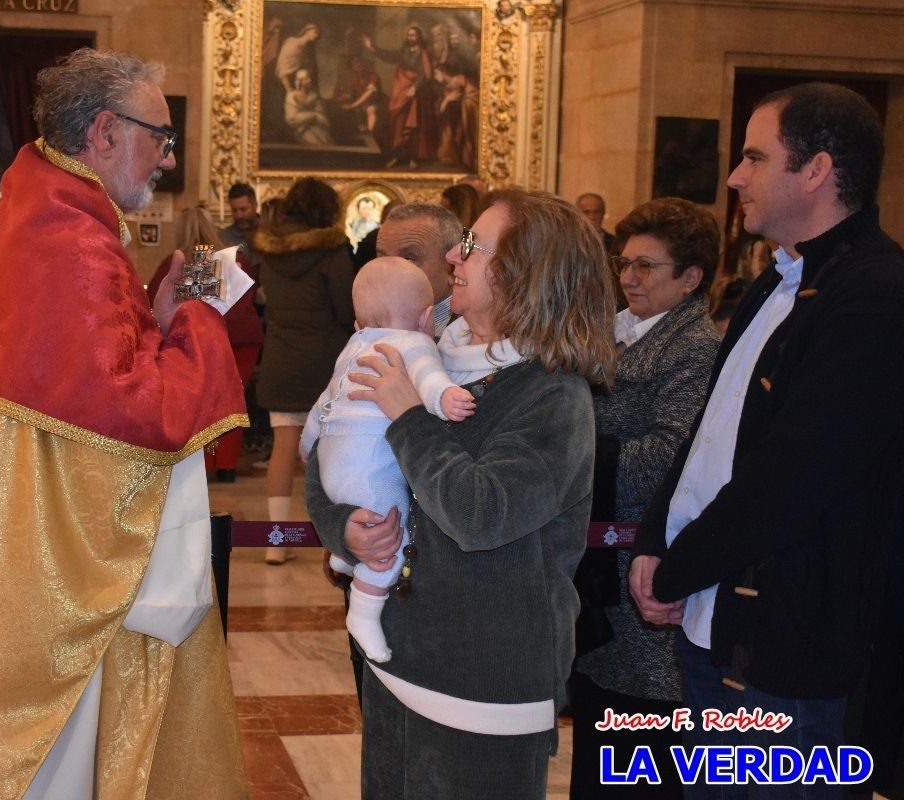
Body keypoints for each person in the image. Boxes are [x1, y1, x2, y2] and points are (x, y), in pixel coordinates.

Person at [0, 49, 249, 799]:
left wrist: (154, 324)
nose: (167, 156)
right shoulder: (71, 238)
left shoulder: (39, 206)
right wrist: (195, 317)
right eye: (159, 135)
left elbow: (88, 381)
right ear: (103, 132)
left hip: (30, 536)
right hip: (54, 568)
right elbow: (140, 419)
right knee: (58, 762)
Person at [630, 82, 904, 799]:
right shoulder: (773, 283)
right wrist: (655, 539)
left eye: (754, 157)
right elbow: (709, 436)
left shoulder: (873, 294)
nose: (734, 177)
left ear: (815, 170)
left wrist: (677, 566)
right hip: (712, 623)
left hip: (788, 649)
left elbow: (795, 477)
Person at [307, 189, 615, 799]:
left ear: (524, 272)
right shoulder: (432, 354)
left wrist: (406, 416)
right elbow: (333, 449)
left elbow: (481, 515)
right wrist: (340, 524)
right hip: (399, 660)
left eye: (473, 245)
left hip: (486, 683)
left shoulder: (552, 396)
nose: (454, 253)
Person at [569, 197, 721, 800]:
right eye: (625, 263)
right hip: (597, 565)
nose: (629, 277)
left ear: (691, 278)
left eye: (647, 266)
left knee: (639, 751)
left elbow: (668, 458)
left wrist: (571, 461)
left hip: (642, 564)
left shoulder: (695, 348)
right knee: (597, 736)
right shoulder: (615, 327)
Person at [302, 257, 474, 663]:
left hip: (333, 458)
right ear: (427, 316)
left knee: (368, 523)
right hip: (370, 463)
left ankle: (346, 559)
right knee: (392, 542)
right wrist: (445, 397)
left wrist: (309, 441)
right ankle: (363, 611)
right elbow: (428, 379)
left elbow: (325, 401)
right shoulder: (414, 342)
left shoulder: (354, 347)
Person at [254, 176, 354, 564]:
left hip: (281, 357)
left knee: (282, 446)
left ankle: (276, 541)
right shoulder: (332, 250)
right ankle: (333, 544)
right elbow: (346, 308)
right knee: (328, 450)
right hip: (325, 361)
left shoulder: (270, 251)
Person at [147, 206, 263, 483]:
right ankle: (226, 466)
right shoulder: (233, 259)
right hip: (241, 343)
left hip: (204, 343)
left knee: (203, 401)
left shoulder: (179, 262)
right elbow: (250, 297)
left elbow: (154, 297)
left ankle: (206, 466)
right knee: (233, 401)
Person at [376, 202, 462, 337]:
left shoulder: (473, 338)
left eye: (409, 259)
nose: (388, 273)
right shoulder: (373, 325)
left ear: (452, 268)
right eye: (382, 258)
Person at [364, 24, 437, 170]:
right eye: (409, 35)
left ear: (419, 38)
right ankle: (396, 155)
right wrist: (373, 47)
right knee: (397, 123)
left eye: (413, 35)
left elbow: (426, 74)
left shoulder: (423, 53)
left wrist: (415, 87)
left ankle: (413, 158)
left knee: (413, 126)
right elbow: (389, 56)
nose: (410, 38)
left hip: (416, 94)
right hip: (401, 91)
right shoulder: (404, 52)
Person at [284, 68, 334, 145]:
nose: (309, 81)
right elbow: (291, 118)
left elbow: (322, 117)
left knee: (326, 141)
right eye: (303, 79)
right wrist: (313, 116)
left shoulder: (314, 96)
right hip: (301, 130)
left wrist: (316, 117)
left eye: (308, 78)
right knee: (315, 142)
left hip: (317, 128)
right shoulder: (291, 97)